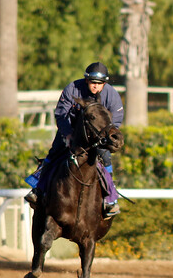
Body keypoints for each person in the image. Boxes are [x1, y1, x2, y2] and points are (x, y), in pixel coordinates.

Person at [24, 62, 124, 218]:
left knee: (105, 156)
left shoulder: (111, 95)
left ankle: (110, 199)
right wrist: (68, 134)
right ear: (86, 80)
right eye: (92, 82)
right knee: (55, 151)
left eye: (99, 84)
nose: (95, 87)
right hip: (71, 132)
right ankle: (38, 189)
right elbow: (61, 113)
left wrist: (104, 138)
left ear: (104, 83)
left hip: (97, 136)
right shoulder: (72, 88)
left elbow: (115, 120)